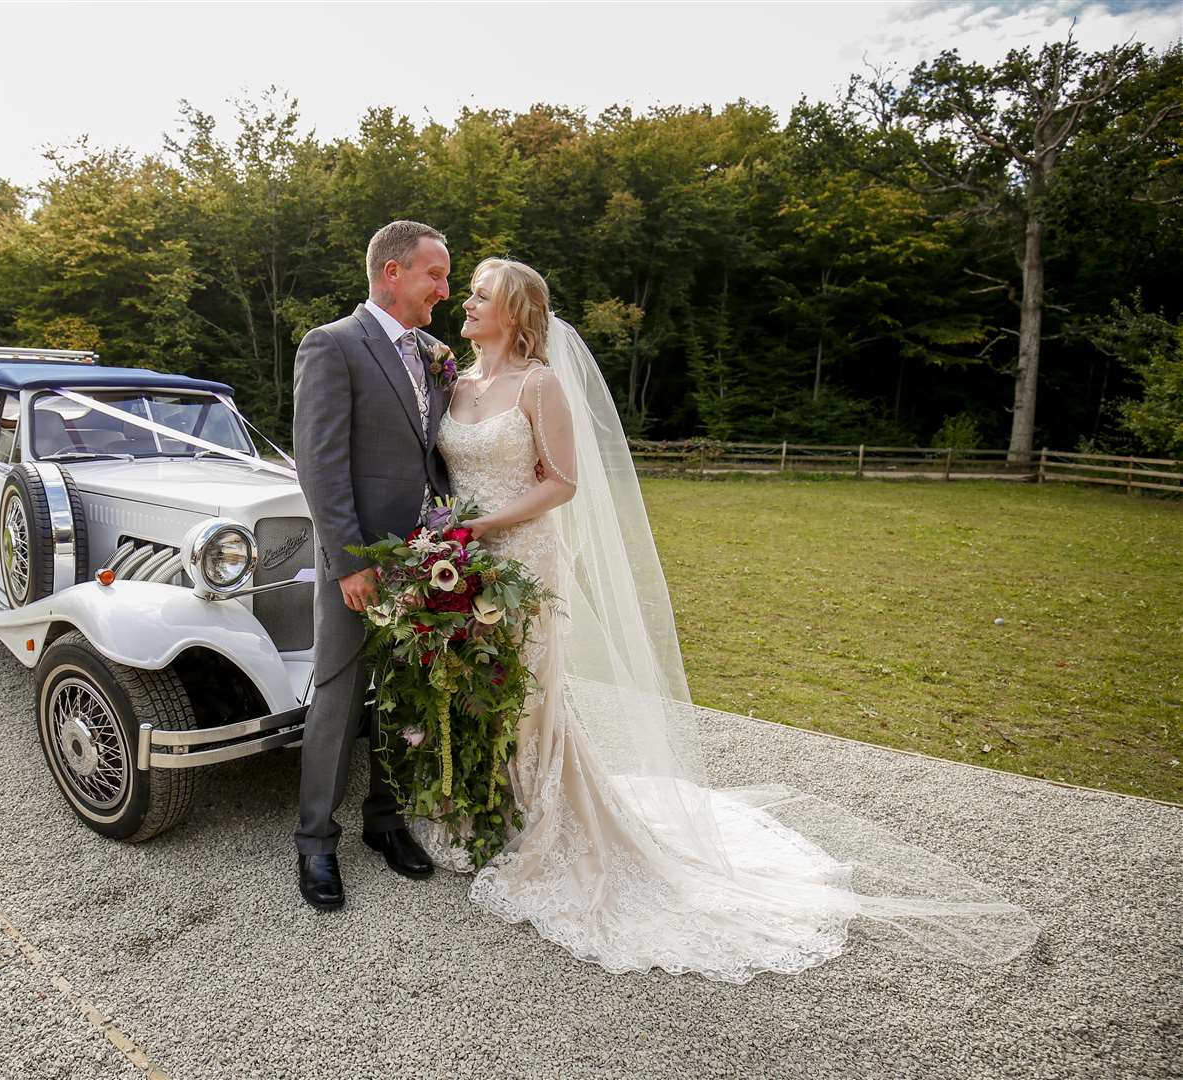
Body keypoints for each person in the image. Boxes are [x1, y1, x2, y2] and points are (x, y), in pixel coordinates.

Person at [415, 257, 1041, 982]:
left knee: (526, 697)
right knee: (475, 691)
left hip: (519, 556)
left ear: (515, 312)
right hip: (459, 560)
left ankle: (534, 831)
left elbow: (563, 482)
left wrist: (480, 524)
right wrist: (450, 534)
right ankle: (480, 812)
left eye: (480, 294)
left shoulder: (540, 384)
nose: (465, 302)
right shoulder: (453, 383)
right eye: (467, 293)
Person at [289, 220, 454, 910]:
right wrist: (349, 564)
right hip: (361, 562)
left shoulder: (436, 355)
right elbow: (319, 463)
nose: (444, 291)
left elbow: (432, 452)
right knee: (336, 692)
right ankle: (315, 843)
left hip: (426, 558)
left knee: (405, 693)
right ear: (392, 272)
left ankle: (384, 822)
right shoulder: (332, 344)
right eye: (434, 276)